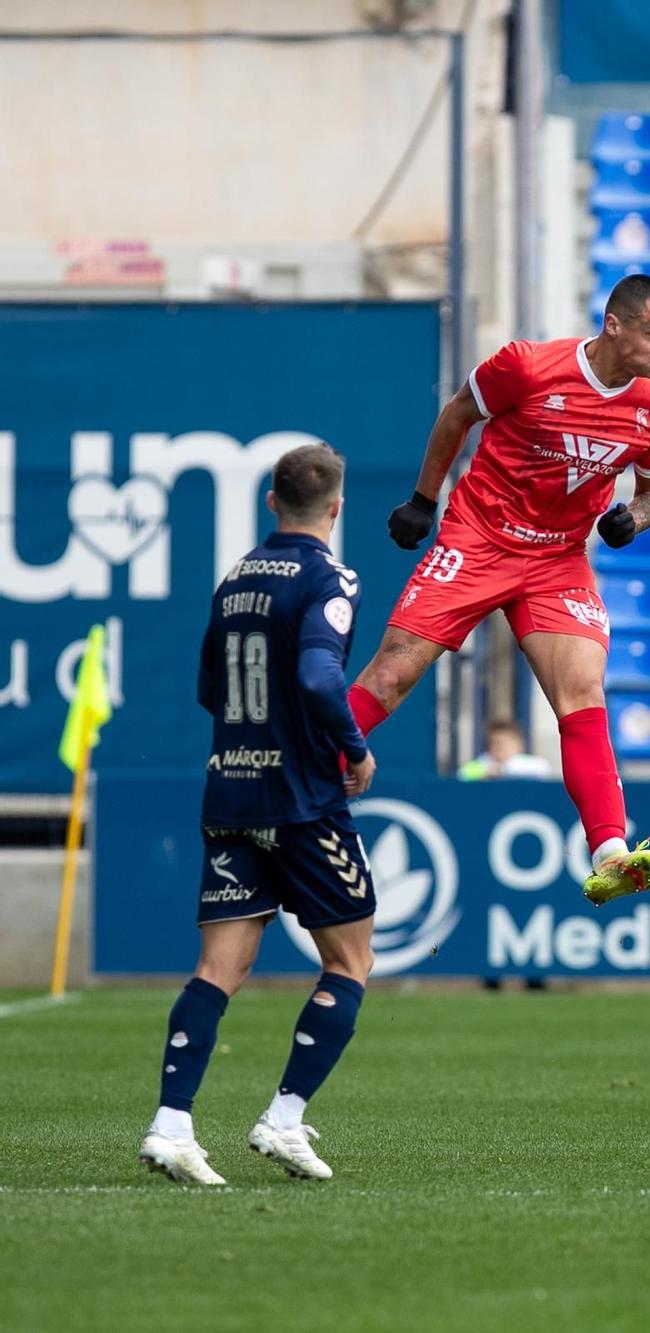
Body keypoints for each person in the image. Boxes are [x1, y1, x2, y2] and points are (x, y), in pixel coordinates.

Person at [345, 272, 650, 905]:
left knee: (582, 691)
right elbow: (457, 415)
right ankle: (311, 777)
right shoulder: (528, 367)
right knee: (391, 675)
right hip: (480, 537)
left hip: (557, 561)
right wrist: (423, 499)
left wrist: (630, 519)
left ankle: (610, 850)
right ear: (615, 325)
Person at [139, 443, 377, 1186]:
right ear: (336, 508)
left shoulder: (235, 577)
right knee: (349, 961)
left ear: (270, 500)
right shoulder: (330, 577)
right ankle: (282, 1117)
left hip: (231, 789)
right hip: (304, 799)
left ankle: (172, 1124)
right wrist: (352, 748)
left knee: (218, 968)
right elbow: (316, 671)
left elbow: (211, 687)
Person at [457, 718, 555, 780]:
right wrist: (487, 771)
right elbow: (462, 774)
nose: (495, 747)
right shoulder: (484, 762)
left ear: (518, 745)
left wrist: (502, 770)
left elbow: (543, 770)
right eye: (492, 743)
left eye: (501, 743)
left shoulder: (531, 763)